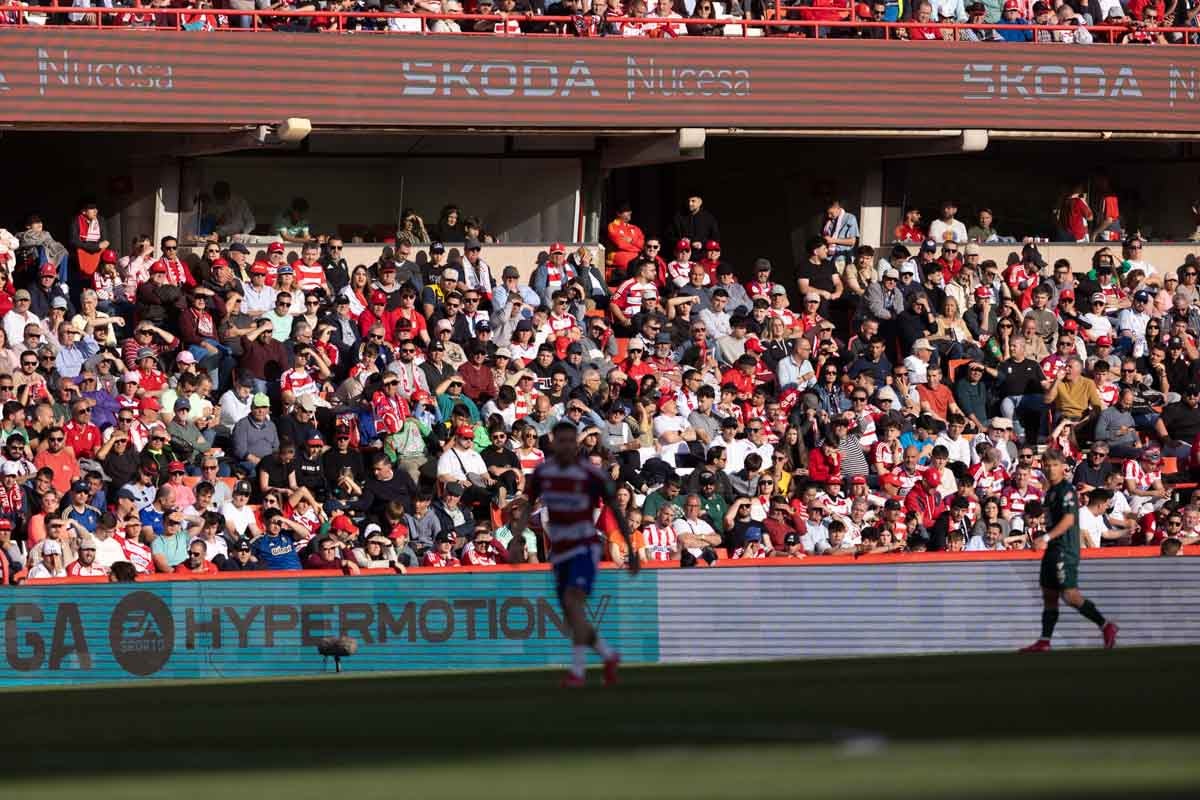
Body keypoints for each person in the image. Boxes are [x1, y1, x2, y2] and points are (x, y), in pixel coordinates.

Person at [526, 421, 637, 688]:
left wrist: (632, 549)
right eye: (560, 440)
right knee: (571, 613)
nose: (565, 445)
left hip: (584, 547)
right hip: (560, 551)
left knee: (573, 603)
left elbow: (614, 511)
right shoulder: (545, 473)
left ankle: (578, 672)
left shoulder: (591, 474)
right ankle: (607, 656)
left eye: (569, 440)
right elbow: (530, 504)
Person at [1019, 450, 1119, 653]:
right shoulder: (1051, 492)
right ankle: (1045, 641)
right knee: (1049, 594)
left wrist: (1046, 538)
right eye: (1046, 465)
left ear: (1063, 467)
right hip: (1053, 549)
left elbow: (1069, 520)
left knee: (1070, 595)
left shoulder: (1066, 490)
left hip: (1065, 549)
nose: (1050, 468)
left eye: (1054, 465)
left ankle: (1106, 625)